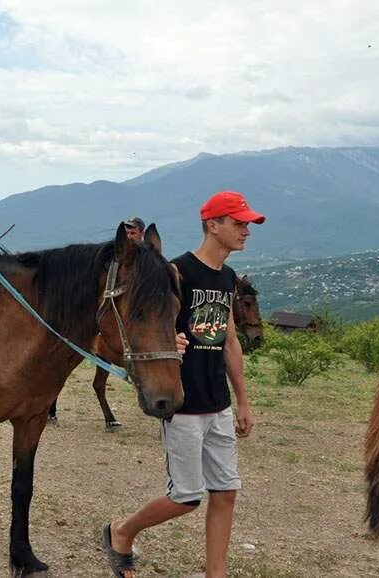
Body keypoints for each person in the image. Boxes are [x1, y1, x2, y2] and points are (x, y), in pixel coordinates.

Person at [104, 190, 265, 578]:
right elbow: (153, 326)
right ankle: (121, 532)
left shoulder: (227, 277)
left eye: (247, 224)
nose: (246, 230)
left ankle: (216, 574)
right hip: (183, 402)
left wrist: (242, 401)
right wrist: (170, 341)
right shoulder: (176, 271)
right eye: (239, 223)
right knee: (186, 497)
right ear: (213, 225)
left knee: (226, 491)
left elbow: (229, 340)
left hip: (218, 402)